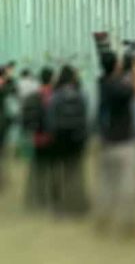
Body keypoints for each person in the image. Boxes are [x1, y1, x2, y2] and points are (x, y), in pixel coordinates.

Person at [96, 51, 135, 235]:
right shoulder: (119, 87)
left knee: (106, 183)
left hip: (107, 141)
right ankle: (128, 223)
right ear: (116, 66)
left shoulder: (102, 83)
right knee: (129, 184)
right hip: (124, 142)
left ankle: (103, 218)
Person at [46, 65, 89, 216]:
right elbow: (85, 119)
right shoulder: (81, 95)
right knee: (74, 171)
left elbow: (50, 120)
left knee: (58, 172)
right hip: (76, 139)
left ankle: (58, 207)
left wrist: (52, 135)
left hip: (59, 139)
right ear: (73, 78)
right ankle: (76, 204)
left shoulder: (55, 96)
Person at [23, 67, 53, 210]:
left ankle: (35, 198)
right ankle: (50, 197)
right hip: (51, 138)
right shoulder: (53, 95)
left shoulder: (34, 96)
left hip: (37, 137)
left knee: (36, 168)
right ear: (51, 78)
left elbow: (26, 118)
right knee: (51, 168)